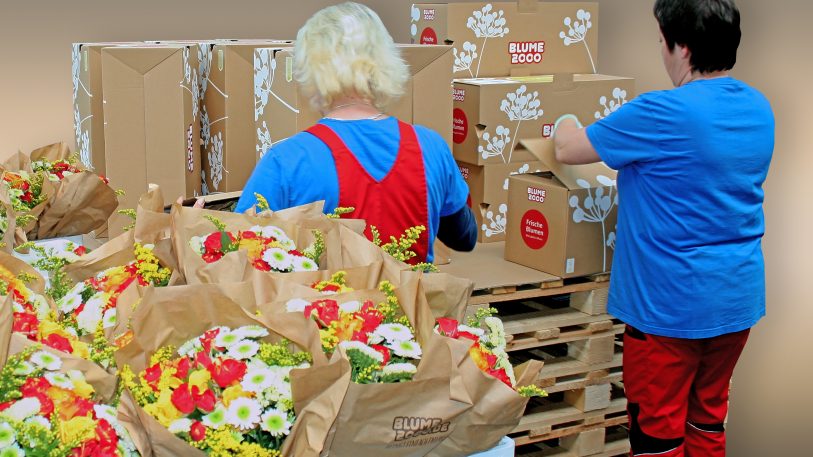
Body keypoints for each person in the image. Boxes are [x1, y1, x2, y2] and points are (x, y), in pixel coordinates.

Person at [552, 1, 773, 456]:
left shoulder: (660, 112)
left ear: (682, 46)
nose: (661, 52)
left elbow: (569, 149)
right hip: (735, 300)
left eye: (660, 41)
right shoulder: (758, 107)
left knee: (658, 435)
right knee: (707, 421)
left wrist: (565, 118)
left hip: (669, 308)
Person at [235, 2, 476, 263]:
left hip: (322, 303)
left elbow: (238, 254)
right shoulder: (430, 147)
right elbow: (464, 237)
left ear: (311, 71)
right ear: (384, 62)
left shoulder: (286, 159)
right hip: (412, 303)